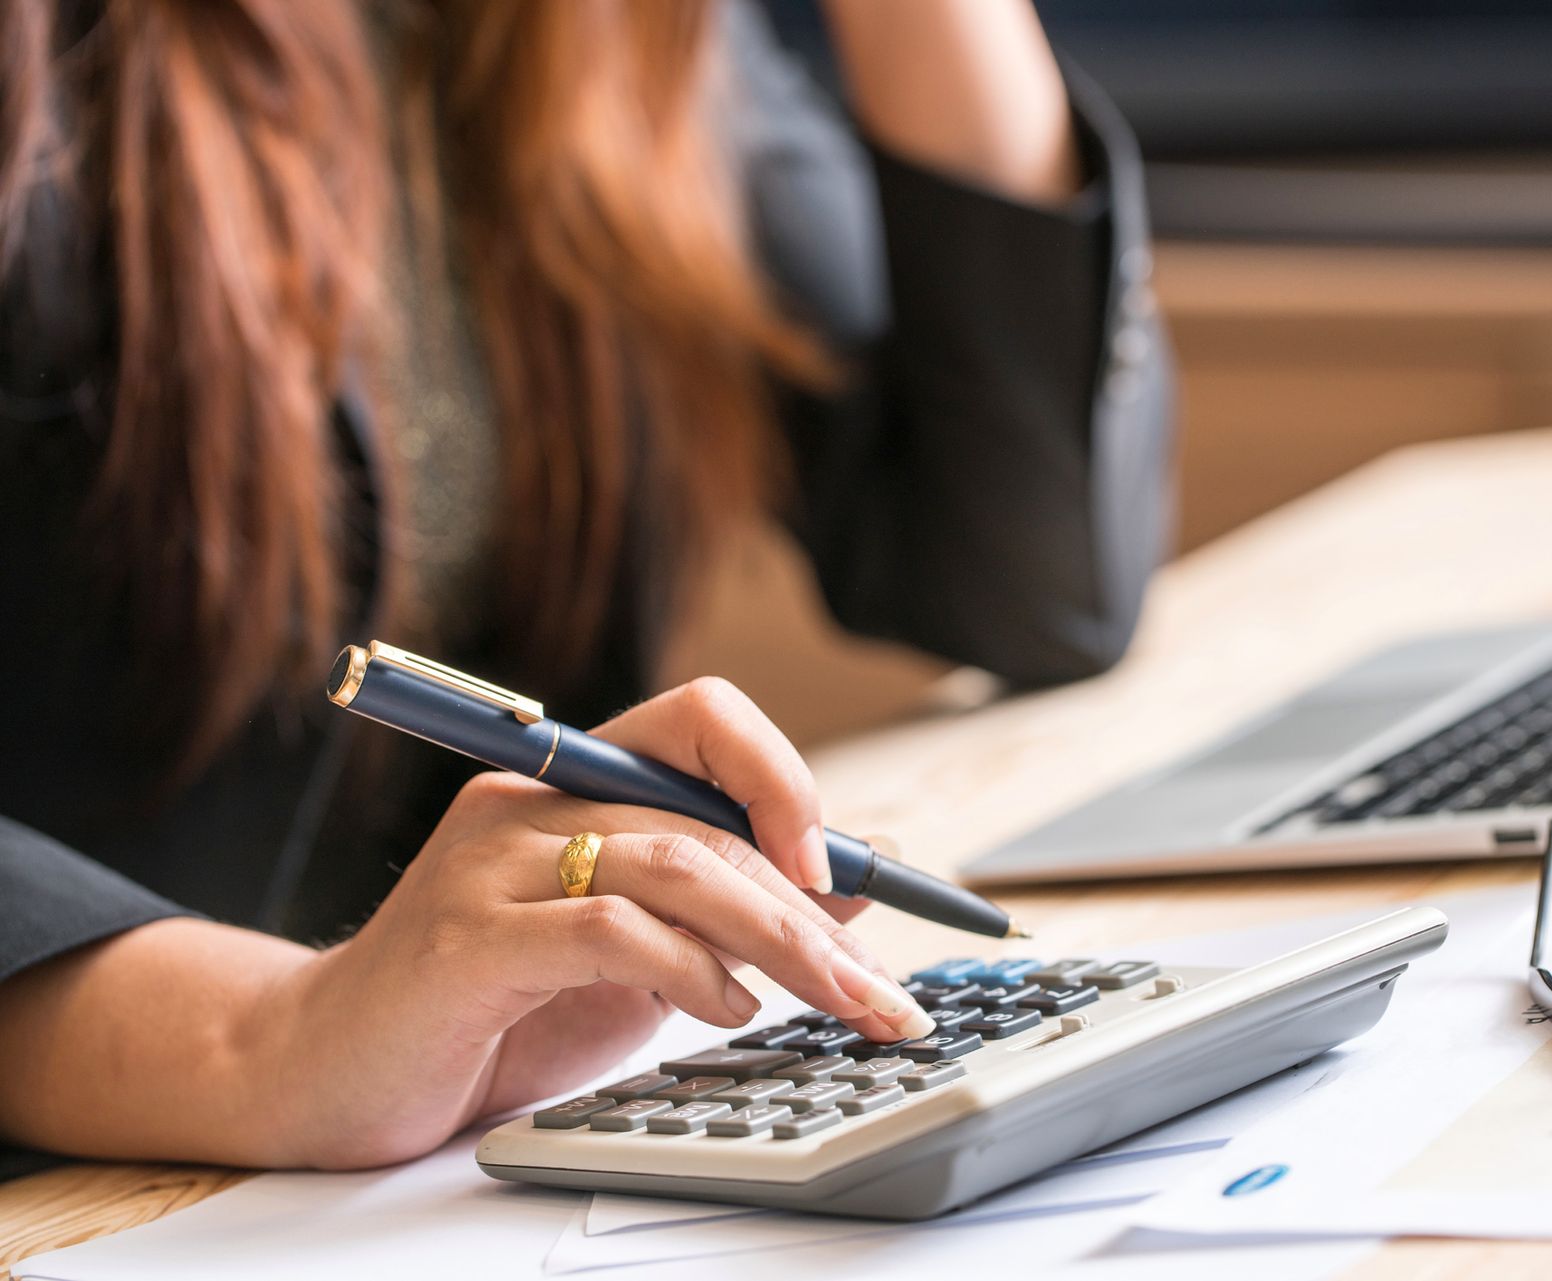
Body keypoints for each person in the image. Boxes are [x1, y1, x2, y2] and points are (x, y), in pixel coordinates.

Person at [0, 0, 1172, 1176]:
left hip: (452, 1148)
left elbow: (1028, 581)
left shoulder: (624, 29)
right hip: (109, 1167)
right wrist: (261, 1036)